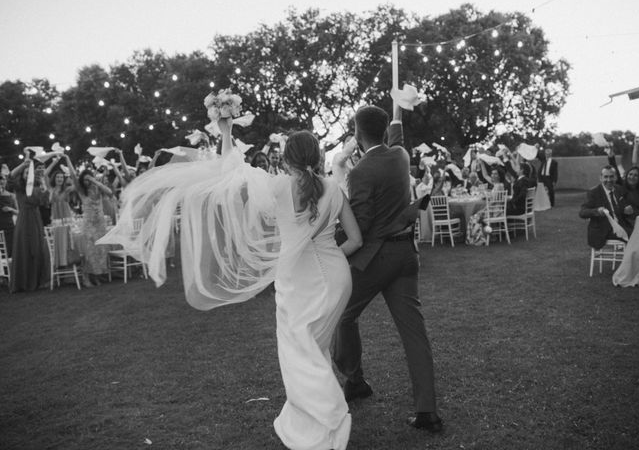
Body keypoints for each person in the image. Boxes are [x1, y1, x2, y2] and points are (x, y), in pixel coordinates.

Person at [99, 112, 363, 449]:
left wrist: (226, 130)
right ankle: (320, 419)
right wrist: (328, 254)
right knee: (314, 347)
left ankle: (329, 416)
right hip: (337, 277)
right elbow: (355, 240)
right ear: (318, 156)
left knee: (300, 351)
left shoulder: (277, 186)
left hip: (299, 280)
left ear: (286, 159)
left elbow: (231, 170)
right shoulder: (335, 189)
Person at [332, 105, 442, 433]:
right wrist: (396, 110)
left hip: (375, 260)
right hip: (406, 255)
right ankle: (427, 412)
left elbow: (361, 226)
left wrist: (333, 238)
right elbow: (395, 138)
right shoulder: (400, 156)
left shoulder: (361, 172)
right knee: (414, 334)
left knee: (342, 316)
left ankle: (355, 380)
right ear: (383, 131)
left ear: (356, 132)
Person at [66, 155, 111, 287]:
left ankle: (97, 276)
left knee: (100, 250)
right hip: (88, 224)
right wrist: (68, 159)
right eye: (85, 180)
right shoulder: (81, 190)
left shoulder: (97, 187)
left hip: (100, 223)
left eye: (88, 179)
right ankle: (86, 277)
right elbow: (74, 175)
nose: (87, 182)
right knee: (89, 251)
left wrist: (95, 181)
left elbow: (109, 193)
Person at [7, 157, 49, 292]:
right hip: (24, 220)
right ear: (23, 175)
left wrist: (43, 182)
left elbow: (45, 200)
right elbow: (10, 176)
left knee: (37, 249)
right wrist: (23, 165)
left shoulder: (37, 187)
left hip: (36, 219)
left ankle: (37, 280)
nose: (28, 175)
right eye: (26, 173)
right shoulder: (19, 188)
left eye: (29, 173)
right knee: (24, 248)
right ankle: (23, 282)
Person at [579, 165, 632, 250]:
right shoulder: (594, 192)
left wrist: (627, 210)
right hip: (603, 230)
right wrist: (596, 211)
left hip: (620, 226)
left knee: (637, 232)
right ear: (600, 178)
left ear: (616, 177)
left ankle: (631, 260)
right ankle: (631, 261)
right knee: (635, 236)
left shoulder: (619, 189)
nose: (609, 180)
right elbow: (582, 212)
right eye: (606, 177)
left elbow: (622, 209)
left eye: (611, 176)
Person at [0, 174, 18, 258]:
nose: (2, 181)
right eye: (0, 180)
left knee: (11, 251)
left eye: (3, 179)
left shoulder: (12, 195)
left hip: (9, 226)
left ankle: (11, 269)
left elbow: (19, 212)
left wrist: (11, 209)